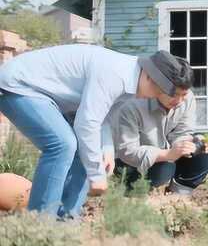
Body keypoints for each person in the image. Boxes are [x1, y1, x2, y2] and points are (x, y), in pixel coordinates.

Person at [0, 45, 191, 217]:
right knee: (63, 144)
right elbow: (87, 124)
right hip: (20, 85)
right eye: (157, 91)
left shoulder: (132, 81)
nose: (155, 97)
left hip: (49, 96)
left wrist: (106, 149)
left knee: (88, 150)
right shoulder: (115, 74)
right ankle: (41, 223)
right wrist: (96, 175)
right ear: (149, 76)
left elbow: (103, 118)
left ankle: (67, 220)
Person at [108, 85, 208, 194]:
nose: (179, 100)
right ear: (159, 85)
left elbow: (181, 133)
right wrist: (167, 154)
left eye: (184, 94)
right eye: (174, 94)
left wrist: (193, 144)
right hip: (129, 164)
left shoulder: (187, 98)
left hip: (164, 158)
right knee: (165, 167)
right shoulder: (132, 105)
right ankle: (133, 193)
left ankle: (179, 192)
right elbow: (128, 152)